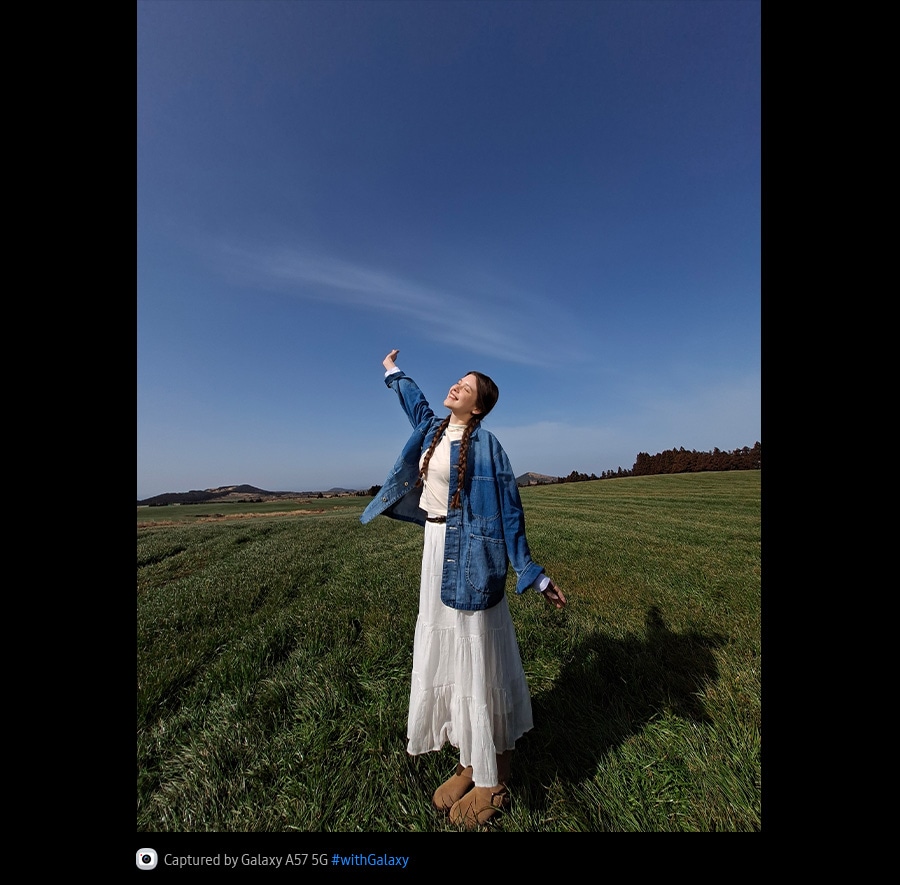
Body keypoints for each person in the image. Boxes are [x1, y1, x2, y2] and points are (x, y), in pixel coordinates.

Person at [361, 348, 567, 828]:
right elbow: (415, 402)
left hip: (473, 557)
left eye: (466, 387)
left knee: (480, 661)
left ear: (478, 406)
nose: (455, 385)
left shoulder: (488, 446)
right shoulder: (432, 430)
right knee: (454, 660)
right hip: (436, 551)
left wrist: (533, 573)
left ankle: (495, 779)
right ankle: (471, 763)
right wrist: (394, 373)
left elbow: (510, 510)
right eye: (458, 380)